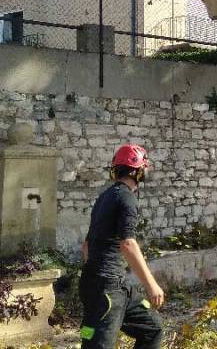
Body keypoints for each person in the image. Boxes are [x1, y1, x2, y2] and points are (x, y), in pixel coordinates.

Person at [79, 144, 165, 348]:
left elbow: (86, 246)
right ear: (138, 171)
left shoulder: (105, 197)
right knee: (97, 344)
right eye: (145, 168)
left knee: (152, 328)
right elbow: (128, 243)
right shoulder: (127, 198)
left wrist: (96, 278)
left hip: (112, 286)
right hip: (108, 289)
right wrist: (151, 285)